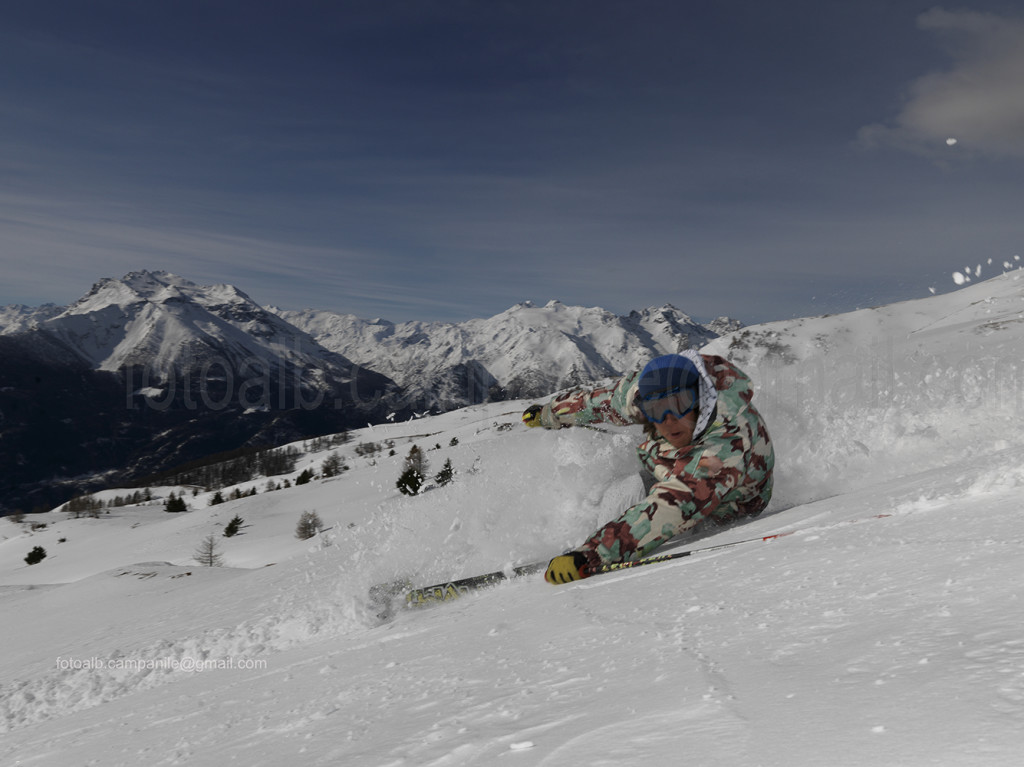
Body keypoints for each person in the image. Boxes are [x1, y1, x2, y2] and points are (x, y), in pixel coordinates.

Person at [522, 351, 774, 584]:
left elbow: (675, 503)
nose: (668, 421)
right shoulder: (640, 393)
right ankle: (602, 534)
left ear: (699, 397)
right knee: (624, 489)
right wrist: (549, 414)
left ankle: (605, 541)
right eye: (656, 410)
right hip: (682, 468)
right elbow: (601, 402)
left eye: (679, 404)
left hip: (732, 505)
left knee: (643, 496)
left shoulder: (725, 442)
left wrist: (592, 556)